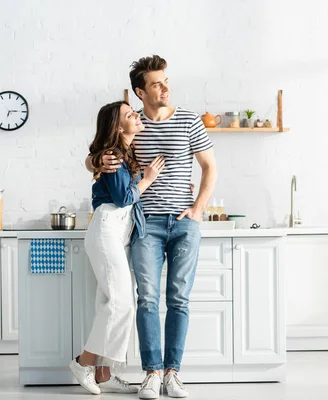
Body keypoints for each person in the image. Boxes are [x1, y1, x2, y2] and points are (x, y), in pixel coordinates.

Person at [86, 55, 217, 399]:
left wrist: (198, 208)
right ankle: (151, 374)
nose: (165, 88)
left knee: (179, 298)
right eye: (157, 84)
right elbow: (104, 152)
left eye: (166, 81)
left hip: (184, 222)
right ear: (140, 92)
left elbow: (210, 168)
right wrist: (93, 160)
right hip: (145, 225)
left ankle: (173, 373)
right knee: (146, 299)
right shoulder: (133, 124)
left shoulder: (189, 120)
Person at [70, 101, 165, 395]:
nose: (136, 116)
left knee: (108, 303)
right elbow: (124, 198)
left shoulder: (125, 153)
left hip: (120, 232)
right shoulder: (112, 155)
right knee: (122, 303)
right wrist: (148, 179)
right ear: (117, 126)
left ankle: (104, 373)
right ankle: (82, 362)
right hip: (107, 230)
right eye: (129, 115)